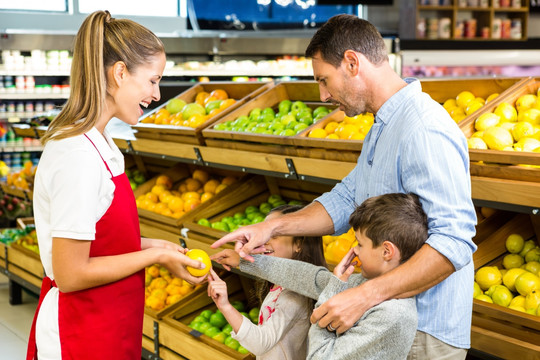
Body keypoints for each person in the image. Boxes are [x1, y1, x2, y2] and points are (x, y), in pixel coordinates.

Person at [213, 14, 477, 360]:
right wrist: (271, 227)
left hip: (423, 329)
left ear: (352, 63)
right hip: (386, 318)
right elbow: (345, 200)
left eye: (324, 80)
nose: (323, 95)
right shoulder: (382, 126)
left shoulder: (423, 129)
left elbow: (454, 240)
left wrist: (366, 295)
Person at [27, 11, 206, 360]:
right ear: (120, 73)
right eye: (153, 81)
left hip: (110, 323)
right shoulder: (76, 154)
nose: (156, 94)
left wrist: (160, 248)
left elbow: (98, 242)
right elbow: (71, 272)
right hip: (79, 331)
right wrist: (153, 255)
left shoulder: (101, 143)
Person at [213, 193, 428, 359]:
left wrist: (330, 295)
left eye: (360, 244)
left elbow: (319, 356)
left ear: (387, 251)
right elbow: (311, 278)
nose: (355, 250)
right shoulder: (364, 282)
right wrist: (246, 262)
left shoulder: (392, 316)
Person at [207, 204, 327, 359]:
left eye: (274, 234)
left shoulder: (293, 296)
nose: (263, 241)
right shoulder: (279, 286)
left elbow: (261, 343)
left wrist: (224, 306)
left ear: (299, 244)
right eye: (262, 233)